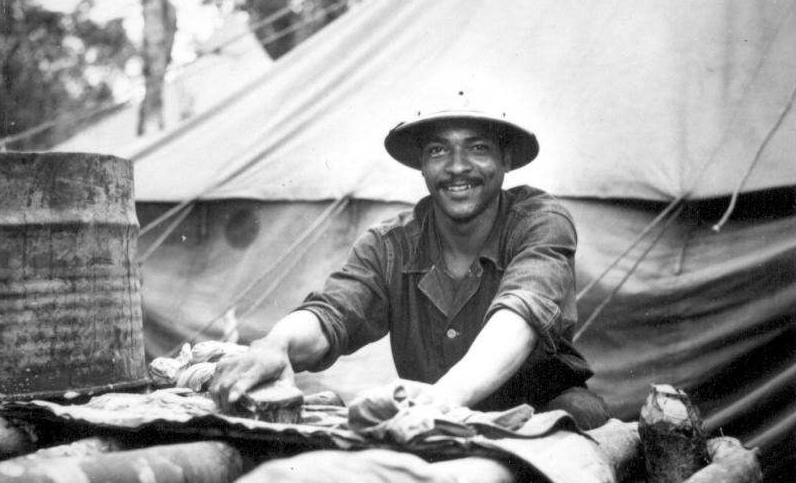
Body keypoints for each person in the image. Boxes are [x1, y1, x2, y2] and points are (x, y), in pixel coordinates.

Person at [210, 97, 611, 430]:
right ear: (421, 164)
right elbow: (335, 311)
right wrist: (276, 345)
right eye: (439, 150)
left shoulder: (539, 222)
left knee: (576, 421)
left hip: (538, 413)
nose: (457, 167)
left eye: (478, 148)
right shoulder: (391, 244)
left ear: (506, 159)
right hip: (434, 422)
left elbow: (519, 317)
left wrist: (443, 400)